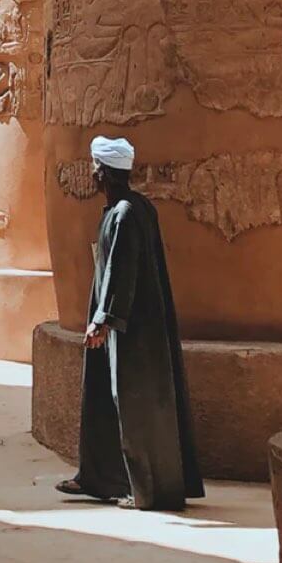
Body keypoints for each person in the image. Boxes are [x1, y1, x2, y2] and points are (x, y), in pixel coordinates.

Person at [57, 136, 205, 511]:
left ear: (103, 173)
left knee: (134, 404)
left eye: (95, 167)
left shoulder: (125, 214)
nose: (92, 173)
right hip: (121, 325)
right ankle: (98, 477)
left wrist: (104, 319)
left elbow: (124, 270)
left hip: (132, 329)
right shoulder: (130, 209)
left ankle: (146, 489)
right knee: (103, 401)